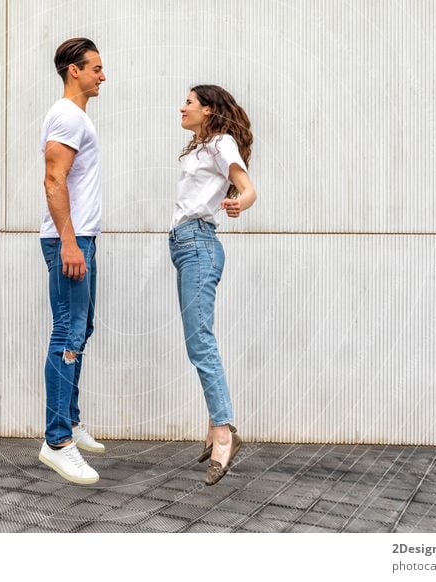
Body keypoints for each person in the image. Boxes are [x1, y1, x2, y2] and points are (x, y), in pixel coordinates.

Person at [169, 84, 257, 485]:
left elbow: (246, 184)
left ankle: (224, 433)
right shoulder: (203, 147)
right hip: (187, 246)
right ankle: (214, 426)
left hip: (199, 245)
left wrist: (242, 201)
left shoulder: (222, 144)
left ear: (208, 109)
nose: (181, 107)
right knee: (198, 338)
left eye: (188, 102)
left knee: (199, 340)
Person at [37, 38, 107, 485]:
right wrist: (68, 241)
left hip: (81, 239)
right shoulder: (66, 115)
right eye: (96, 68)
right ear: (73, 71)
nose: (103, 75)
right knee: (67, 329)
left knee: (82, 327)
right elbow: (53, 177)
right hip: (70, 240)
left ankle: (71, 420)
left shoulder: (78, 117)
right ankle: (57, 440)